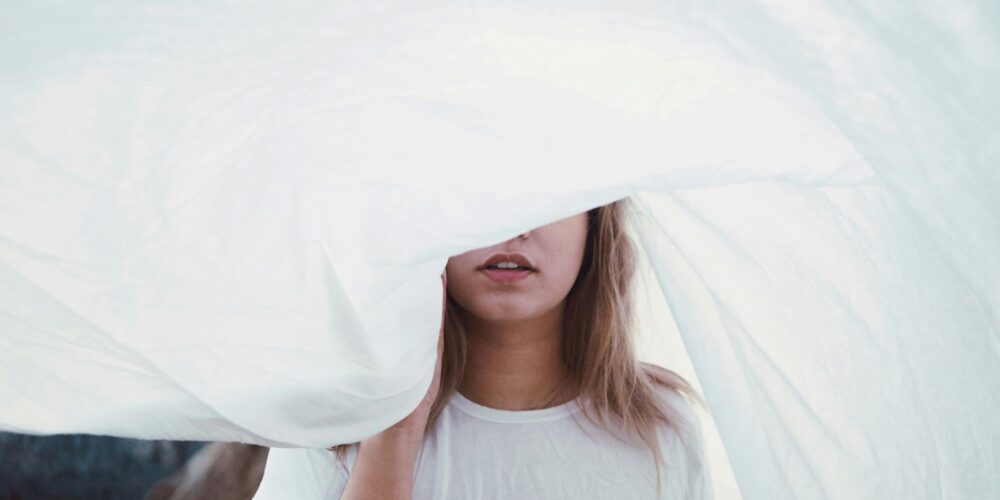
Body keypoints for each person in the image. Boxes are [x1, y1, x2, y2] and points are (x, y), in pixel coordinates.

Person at [253, 198, 713, 499]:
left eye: (550, 194)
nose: (514, 225)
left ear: (595, 222)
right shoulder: (337, 423)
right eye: (479, 193)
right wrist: (393, 439)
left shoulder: (662, 431)